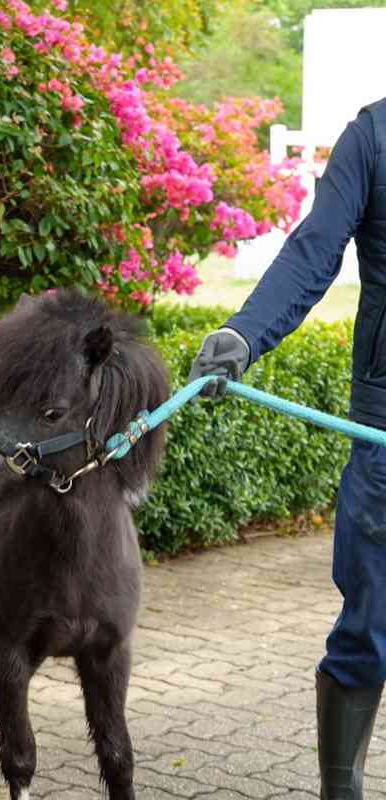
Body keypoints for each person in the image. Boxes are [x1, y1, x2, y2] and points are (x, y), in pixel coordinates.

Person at [188, 97, 385, 799]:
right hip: (384, 436)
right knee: (371, 627)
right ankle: (342, 789)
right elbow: (314, 249)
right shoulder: (374, 136)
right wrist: (246, 334)